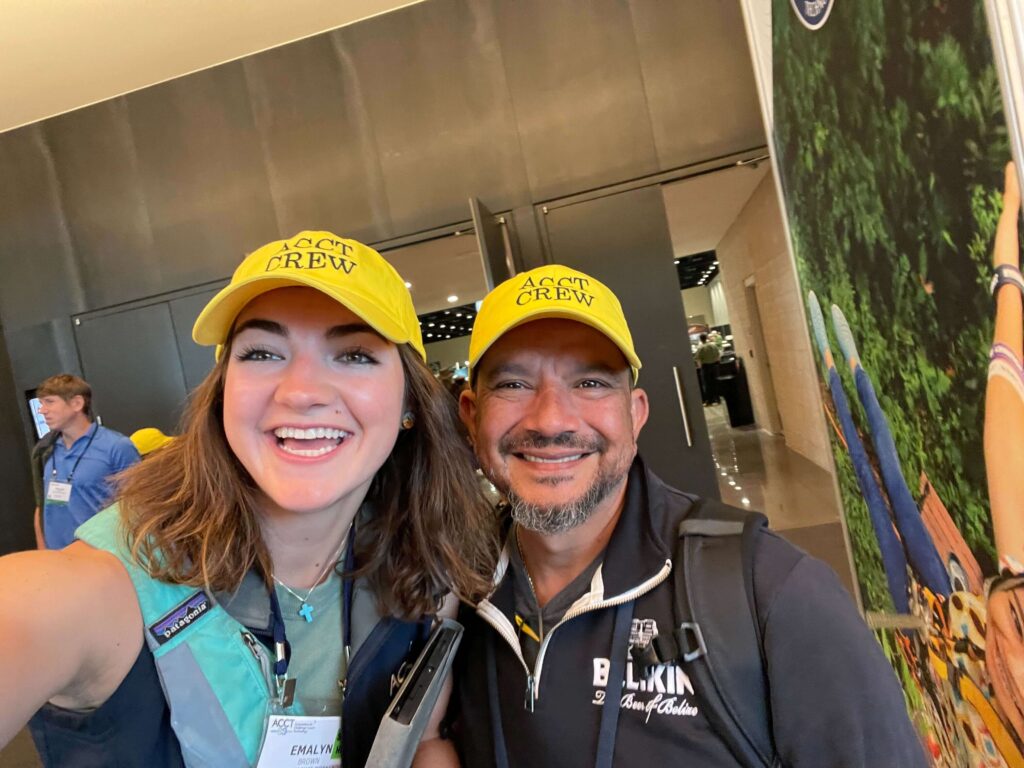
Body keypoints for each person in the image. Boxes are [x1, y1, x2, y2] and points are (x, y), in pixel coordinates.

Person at [0, 231, 498, 767]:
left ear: (409, 404)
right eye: (262, 352)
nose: (302, 392)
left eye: (354, 354)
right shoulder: (91, 591)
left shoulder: (423, 568)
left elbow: (422, 742)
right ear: (221, 396)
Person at [451, 264, 927, 767]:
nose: (550, 419)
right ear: (471, 415)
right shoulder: (446, 593)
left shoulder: (775, 595)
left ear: (635, 414)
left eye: (590, 382)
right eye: (513, 384)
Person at [30, 373, 140, 550]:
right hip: (58, 559)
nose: (42, 410)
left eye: (49, 402)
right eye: (41, 403)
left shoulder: (117, 447)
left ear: (77, 403)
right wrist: (44, 553)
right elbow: (41, 506)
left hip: (103, 556)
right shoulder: (45, 450)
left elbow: (137, 507)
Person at [695, 332, 722, 405]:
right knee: (715, 383)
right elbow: (718, 356)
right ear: (706, 338)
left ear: (700, 339)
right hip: (715, 366)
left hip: (705, 367)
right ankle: (718, 399)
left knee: (707, 384)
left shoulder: (700, 348)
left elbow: (698, 359)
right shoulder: (713, 346)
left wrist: (700, 368)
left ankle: (709, 401)